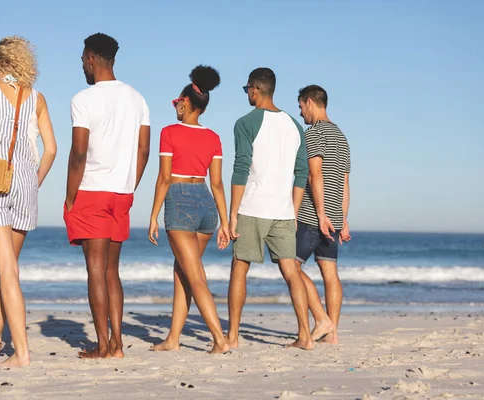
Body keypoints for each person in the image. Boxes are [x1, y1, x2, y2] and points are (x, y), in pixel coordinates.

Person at [0, 36, 57, 367]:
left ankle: (22, 352)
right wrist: (34, 180)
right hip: (25, 185)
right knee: (10, 270)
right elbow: (51, 149)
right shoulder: (37, 98)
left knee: (7, 269)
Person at [64, 33, 151, 359]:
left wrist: (70, 195)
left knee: (96, 270)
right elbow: (143, 150)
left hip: (92, 190)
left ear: (90, 58)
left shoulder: (83, 99)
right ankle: (116, 346)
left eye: (82, 60)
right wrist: (130, 184)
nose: (82, 67)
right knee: (112, 271)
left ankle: (103, 345)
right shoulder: (137, 98)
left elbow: (78, 153)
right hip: (121, 193)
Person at [226, 68, 313, 350]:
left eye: (246, 89)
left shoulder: (245, 123)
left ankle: (233, 336)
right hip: (284, 211)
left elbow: (241, 168)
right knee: (291, 272)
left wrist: (231, 215)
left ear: (254, 89)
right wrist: (294, 210)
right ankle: (305, 336)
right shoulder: (294, 125)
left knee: (239, 269)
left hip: (252, 207)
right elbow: (302, 173)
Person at [148, 66, 231, 354]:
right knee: (183, 270)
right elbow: (218, 183)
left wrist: (153, 215)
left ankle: (219, 340)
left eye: (176, 103)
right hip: (206, 202)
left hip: (180, 198)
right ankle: (173, 339)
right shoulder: (214, 137)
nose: (175, 107)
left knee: (195, 275)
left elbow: (164, 178)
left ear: (185, 103)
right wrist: (224, 221)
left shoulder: (169, 132)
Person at [296, 85, 351, 345]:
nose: (301, 112)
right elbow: (344, 183)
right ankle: (333, 334)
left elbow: (314, 174)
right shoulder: (342, 136)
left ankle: (321, 319)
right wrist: (343, 218)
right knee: (330, 272)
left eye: (301, 106)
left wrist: (320, 215)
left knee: (291, 266)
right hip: (335, 217)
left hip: (312, 215)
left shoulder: (314, 133)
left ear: (310, 102)